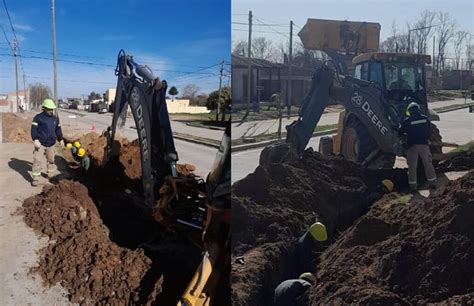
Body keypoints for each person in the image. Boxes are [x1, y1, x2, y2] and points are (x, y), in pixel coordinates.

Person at [399, 101, 437, 191]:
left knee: (412, 166)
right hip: (424, 146)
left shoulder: (407, 121)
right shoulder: (425, 118)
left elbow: (400, 133)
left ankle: (413, 186)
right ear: (418, 109)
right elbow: (429, 131)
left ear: (409, 111)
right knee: (428, 164)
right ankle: (432, 183)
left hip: (412, 146)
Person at [31, 98, 64, 186]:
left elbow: (58, 130)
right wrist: (35, 139)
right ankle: (36, 178)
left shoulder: (55, 119)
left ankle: (50, 175)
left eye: (52, 109)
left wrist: (61, 139)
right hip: (40, 143)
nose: (51, 111)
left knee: (51, 160)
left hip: (51, 143)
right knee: (37, 160)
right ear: (44, 108)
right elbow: (33, 130)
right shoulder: (38, 118)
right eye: (49, 109)